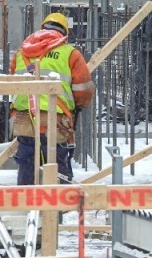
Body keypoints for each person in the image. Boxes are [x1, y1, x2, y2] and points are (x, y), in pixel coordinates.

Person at [10, 13, 94, 185]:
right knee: (56, 162)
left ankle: (26, 200)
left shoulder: (21, 54)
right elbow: (84, 90)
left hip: (25, 118)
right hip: (56, 120)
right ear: (64, 33)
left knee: (27, 162)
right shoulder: (70, 54)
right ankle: (59, 206)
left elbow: (12, 84)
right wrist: (78, 107)